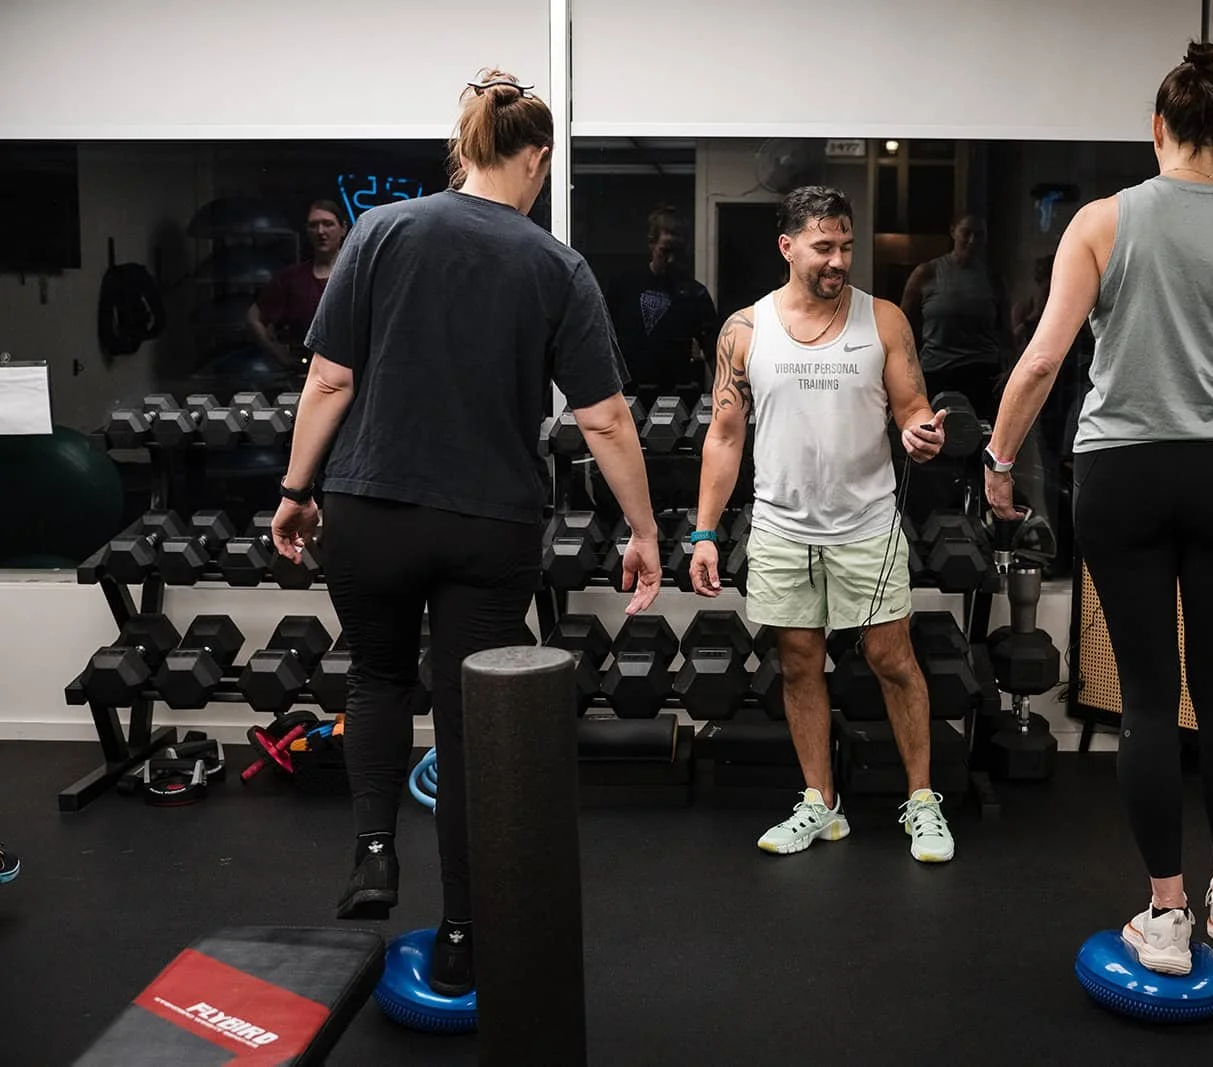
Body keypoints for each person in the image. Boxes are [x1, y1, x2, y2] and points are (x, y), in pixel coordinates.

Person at [270, 68, 663, 997]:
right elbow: (604, 418)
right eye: (543, 169)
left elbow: (329, 381)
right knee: (465, 721)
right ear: (534, 159)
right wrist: (642, 528)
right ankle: (460, 930)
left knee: (372, 674)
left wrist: (295, 490)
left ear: (465, 148)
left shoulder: (381, 231)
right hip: (489, 524)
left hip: (369, 507)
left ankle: (373, 853)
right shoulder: (554, 265)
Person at [983, 41, 1213, 975]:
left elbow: (1045, 362)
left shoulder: (1101, 223)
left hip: (1123, 477)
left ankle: (1166, 916)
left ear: (1159, 129)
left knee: (1144, 696)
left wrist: (999, 458)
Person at [686, 186, 956, 863]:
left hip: (867, 522)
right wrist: (703, 532)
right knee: (800, 664)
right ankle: (820, 803)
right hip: (781, 527)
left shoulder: (884, 320)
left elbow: (912, 404)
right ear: (788, 247)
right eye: (824, 247)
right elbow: (724, 434)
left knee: (892, 658)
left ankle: (922, 800)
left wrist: (920, 434)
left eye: (846, 246)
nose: (839, 260)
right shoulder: (746, 331)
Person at [604, 205, 722, 404]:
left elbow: (714, 353)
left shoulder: (694, 293)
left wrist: (720, 399)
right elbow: (603, 342)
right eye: (665, 251)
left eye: (678, 252)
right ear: (652, 243)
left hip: (677, 398)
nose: (671, 259)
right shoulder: (624, 286)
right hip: (628, 396)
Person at [900, 214, 1010, 418]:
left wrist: (1010, 371)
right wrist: (906, 371)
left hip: (983, 374)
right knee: (937, 440)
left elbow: (1006, 332)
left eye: (979, 235)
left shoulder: (993, 280)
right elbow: (902, 328)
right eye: (966, 233)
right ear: (953, 232)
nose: (971, 240)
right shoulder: (927, 273)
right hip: (937, 372)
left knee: (980, 440)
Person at [248, 200, 350, 372]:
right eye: (313, 225)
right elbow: (253, 317)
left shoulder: (359, 275)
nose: (320, 231)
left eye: (328, 224)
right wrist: (280, 355)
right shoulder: (292, 279)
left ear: (343, 229)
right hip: (306, 375)